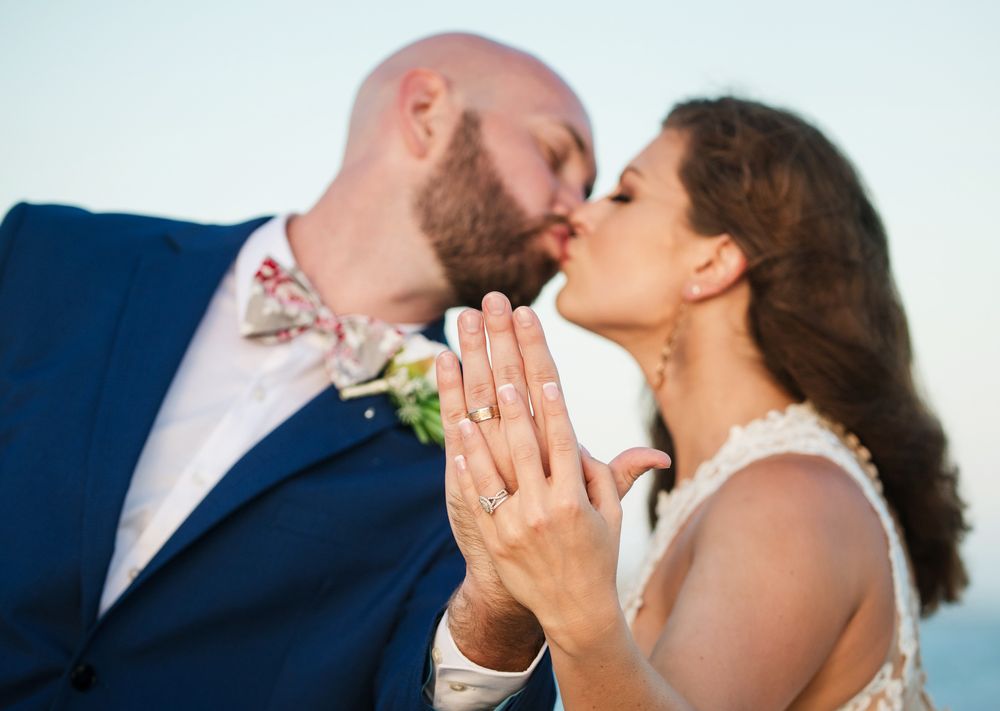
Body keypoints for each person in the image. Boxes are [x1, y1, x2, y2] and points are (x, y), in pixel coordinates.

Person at [0, 32, 603, 710]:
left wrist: (500, 609)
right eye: (555, 156)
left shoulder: (482, 459)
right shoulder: (47, 257)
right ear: (427, 111)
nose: (577, 211)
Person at [438, 97, 969, 709]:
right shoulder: (738, 488)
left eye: (625, 195)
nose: (580, 215)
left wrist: (575, 607)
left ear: (714, 260)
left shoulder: (786, 498)